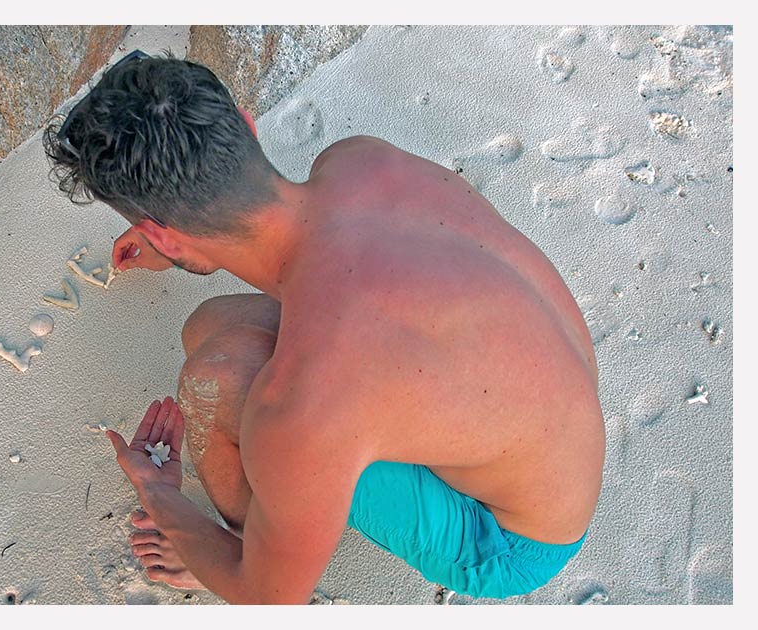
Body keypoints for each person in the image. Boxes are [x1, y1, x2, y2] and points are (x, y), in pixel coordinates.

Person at [42, 50, 604, 604]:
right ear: (246, 124)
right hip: (558, 426)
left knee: (216, 383)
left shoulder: (303, 409)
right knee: (209, 327)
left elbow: (272, 603)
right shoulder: (360, 161)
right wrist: (183, 244)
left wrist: (161, 495)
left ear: (158, 234)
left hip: (510, 540)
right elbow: (344, 280)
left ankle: (244, 548)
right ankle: (280, 525)